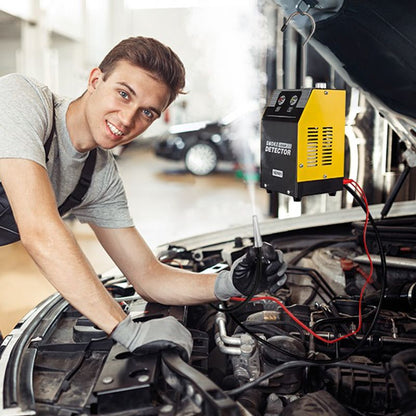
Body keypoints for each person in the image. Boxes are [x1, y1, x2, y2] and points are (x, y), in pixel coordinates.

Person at [0, 36, 286, 360]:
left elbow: (148, 276)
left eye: (146, 112)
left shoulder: (97, 176)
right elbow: (39, 231)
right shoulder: (22, 99)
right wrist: (125, 329)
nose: (126, 119)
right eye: (123, 94)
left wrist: (228, 284)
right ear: (95, 80)